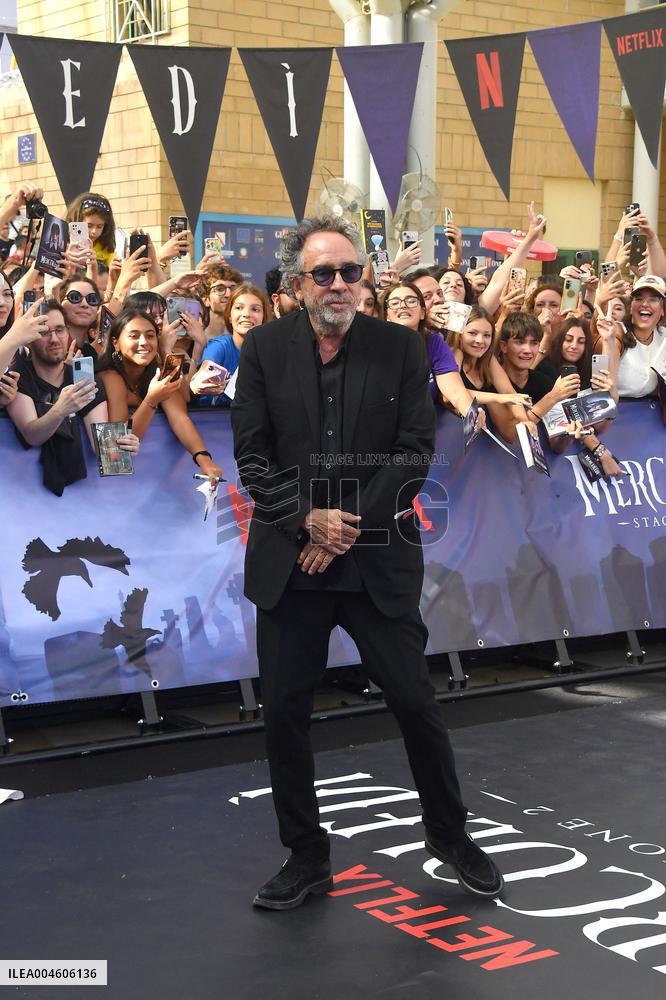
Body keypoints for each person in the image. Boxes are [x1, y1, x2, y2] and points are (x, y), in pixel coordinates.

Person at [231, 216, 504, 911]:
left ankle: (449, 834)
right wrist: (305, 521)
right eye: (324, 274)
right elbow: (252, 457)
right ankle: (306, 855)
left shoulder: (403, 349)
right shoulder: (261, 350)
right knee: (284, 714)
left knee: (415, 702)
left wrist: (344, 526)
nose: (341, 285)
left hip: (374, 559)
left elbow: (414, 451)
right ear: (297, 285)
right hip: (292, 563)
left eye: (350, 272)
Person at [5, 300, 139, 495]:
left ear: (67, 332)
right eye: (43, 332)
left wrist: (126, 446)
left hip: (78, 500)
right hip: (19, 493)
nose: (54, 339)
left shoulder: (84, 378)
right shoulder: (19, 376)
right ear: (28, 339)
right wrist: (60, 410)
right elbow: (31, 435)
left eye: (59, 330)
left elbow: (105, 452)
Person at [96, 309, 221, 484]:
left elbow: (180, 418)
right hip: (109, 483)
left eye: (150, 336)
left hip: (151, 481)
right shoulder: (110, 376)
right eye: (134, 336)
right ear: (116, 343)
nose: (144, 342)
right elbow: (120, 444)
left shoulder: (161, 373)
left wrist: (204, 459)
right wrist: (152, 400)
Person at [192, 283, 270, 407]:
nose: (246, 314)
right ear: (229, 316)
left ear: (264, 317)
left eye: (255, 309)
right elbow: (204, 370)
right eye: (239, 308)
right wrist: (198, 382)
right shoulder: (220, 346)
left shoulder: (270, 352)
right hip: (214, 422)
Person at [65, 192, 117, 267]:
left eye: (99, 226)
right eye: (89, 226)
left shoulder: (107, 251)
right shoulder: (63, 247)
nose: (94, 231)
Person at [198, 263, 243, 340]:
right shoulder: (194, 336)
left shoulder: (245, 334)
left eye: (233, 289)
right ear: (205, 300)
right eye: (220, 289)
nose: (228, 295)